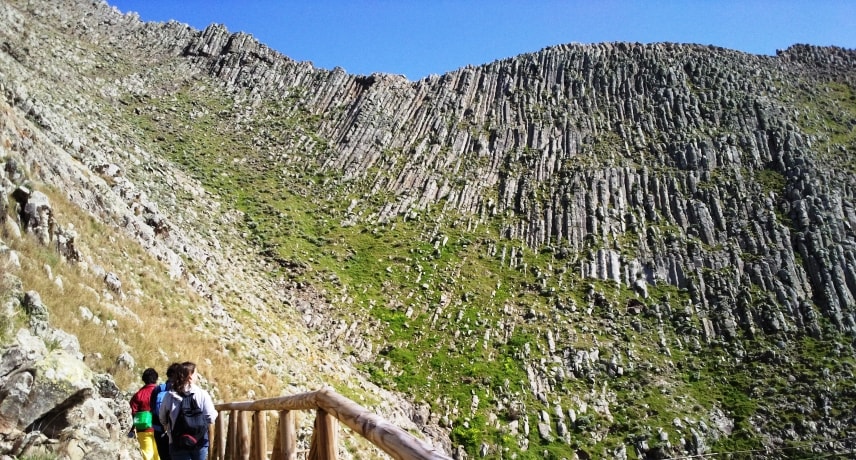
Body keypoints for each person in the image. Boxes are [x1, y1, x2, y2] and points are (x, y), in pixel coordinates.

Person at [159, 362, 218, 460]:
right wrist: (215, 413)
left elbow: (162, 418)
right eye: (195, 373)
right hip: (199, 441)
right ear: (190, 376)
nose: (197, 376)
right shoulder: (202, 394)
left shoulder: (169, 395)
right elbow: (210, 418)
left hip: (177, 442)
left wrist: (167, 425)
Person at [151, 362, 181, 460]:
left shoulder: (158, 389)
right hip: (178, 432)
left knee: (164, 457)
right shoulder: (181, 390)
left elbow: (152, 409)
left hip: (160, 430)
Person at [130, 368, 161, 460]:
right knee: (159, 454)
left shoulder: (138, 394)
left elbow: (132, 412)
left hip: (143, 428)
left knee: (147, 454)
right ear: (156, 378)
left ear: (143, 379)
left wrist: (132, 429)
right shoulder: (160, 392)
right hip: (160, 429)